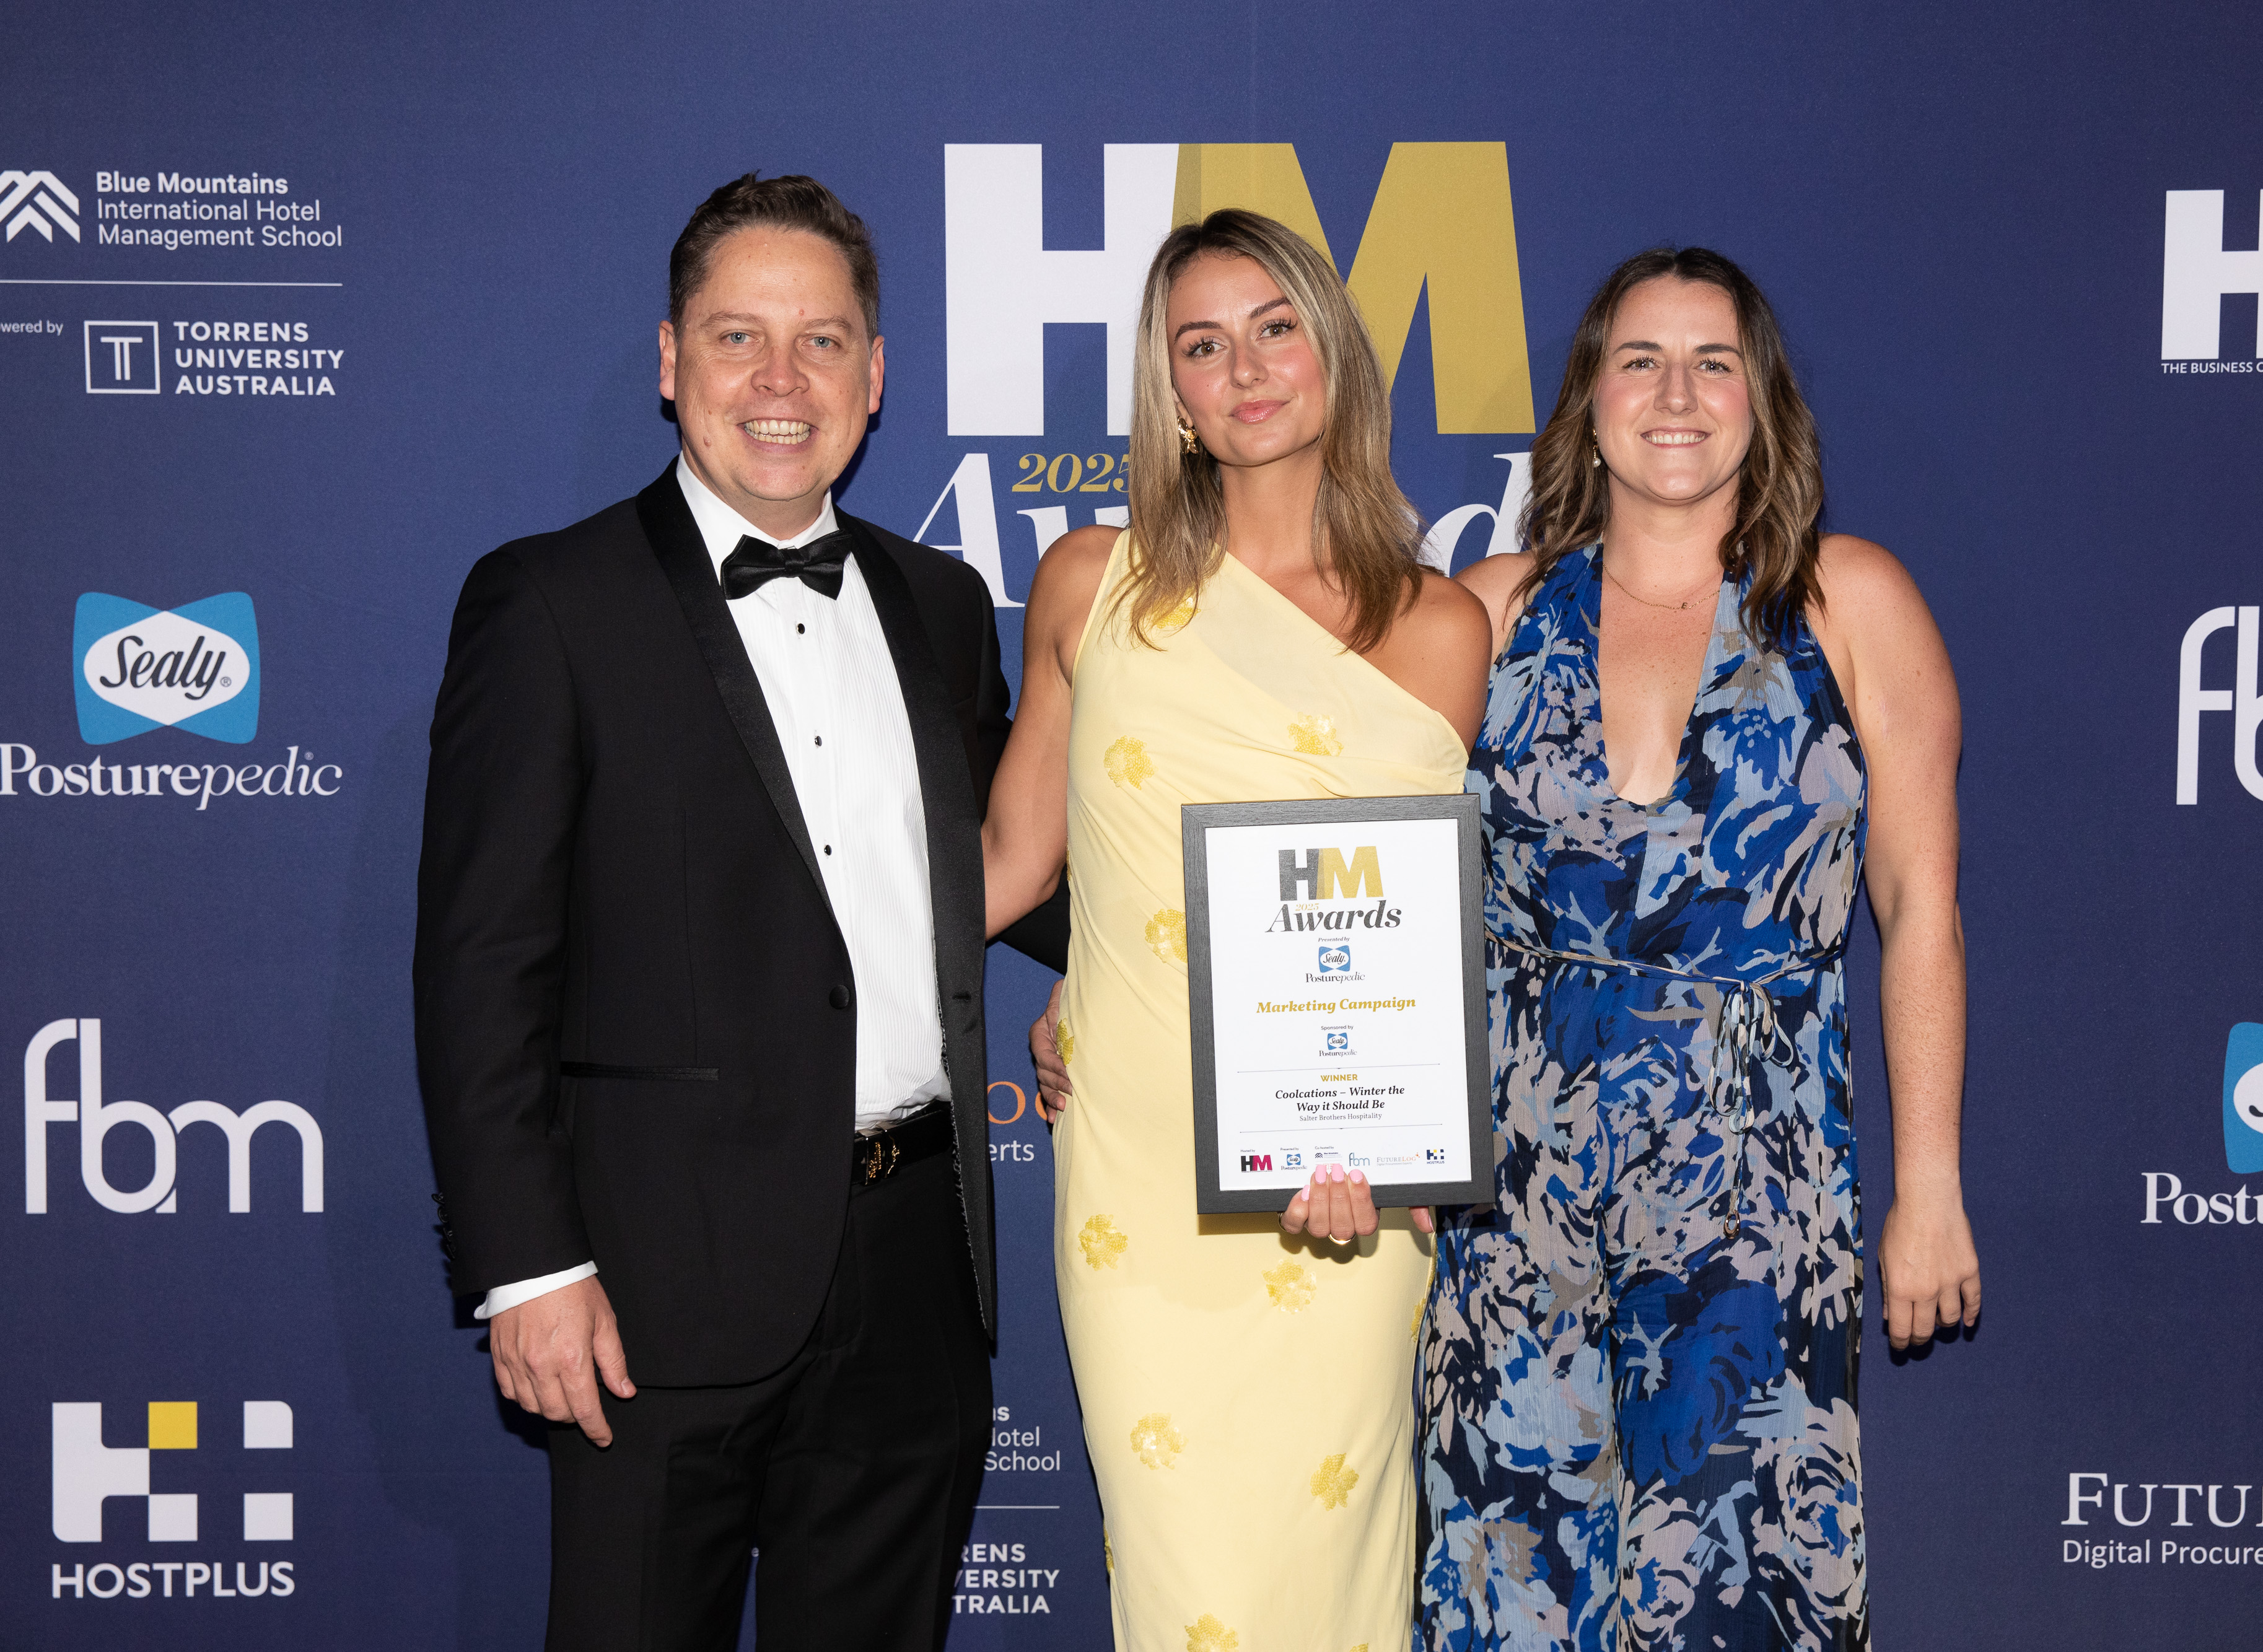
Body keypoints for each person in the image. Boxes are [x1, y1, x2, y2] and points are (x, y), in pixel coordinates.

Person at [413, 173, 1064, 1650]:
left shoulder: (940, 601)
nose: (781, 380)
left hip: (913, 1270)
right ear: (669, 360)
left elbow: (1017, 870)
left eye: (821, 341)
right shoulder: (549, 602)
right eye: (736, 337)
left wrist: (1216, 983)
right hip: (650, 1286)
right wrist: (531, 1266)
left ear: (875, 375)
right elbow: (480, 966)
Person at [1414, 248, 1981, 1648]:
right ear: (1587, 400)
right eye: (1641, 361)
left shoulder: (1850, 604)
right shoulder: (1488, 608)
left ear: (1760, 399)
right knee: (1513, 1587)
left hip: (1758, 1204)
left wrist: (1930, 1187)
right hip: (1513, 1204)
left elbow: (1919, 906)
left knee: (1738, 1590)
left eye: (1712, 362)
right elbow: (1365, 883)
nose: (1676, 394)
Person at [981, 208, 1491, 1652]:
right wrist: (792, 928)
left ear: (1331, 350)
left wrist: (1393, 1138)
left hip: (1350, 1186)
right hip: (1139, 1177)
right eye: (1201, 346)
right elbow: (1013, 861)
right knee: (1185, 1584)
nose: (1246, 369)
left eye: (1273, 328)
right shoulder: (1090, 582)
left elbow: (1411, 928)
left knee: (1331, 1571)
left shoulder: (1442, 628)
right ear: (1170, 393)